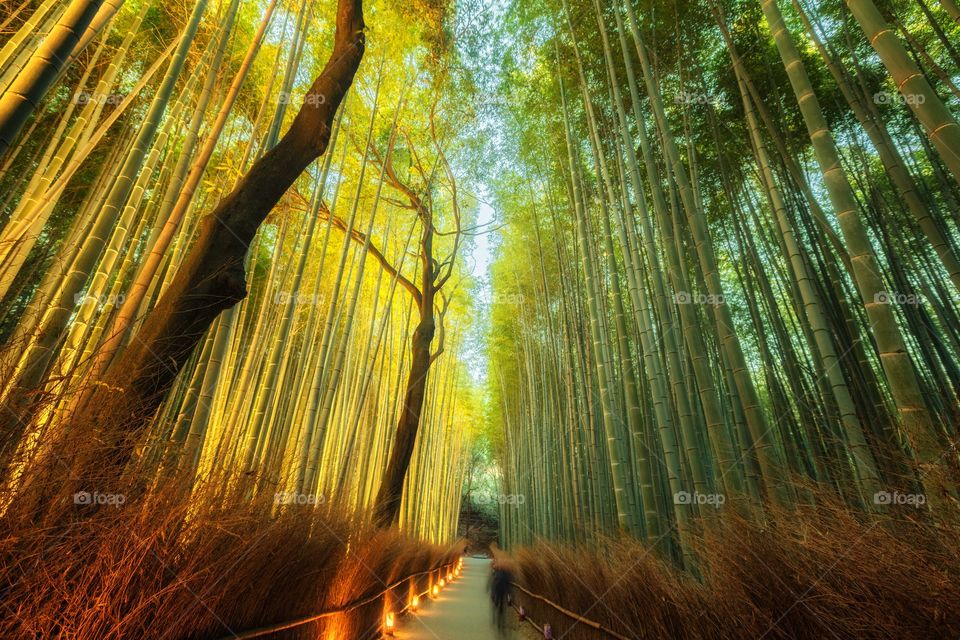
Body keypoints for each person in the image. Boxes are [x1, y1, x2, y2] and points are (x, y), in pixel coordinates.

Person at [488, 557, 514, 637]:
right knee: (499, 607)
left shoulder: (507, 573)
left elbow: (509, 584)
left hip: (502, 592)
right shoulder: (497, 572)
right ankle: (499, 623)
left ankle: (501, 625)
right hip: (497, 592)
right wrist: (493, 594)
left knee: (501, 609)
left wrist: (509, 594)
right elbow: (493, 584)